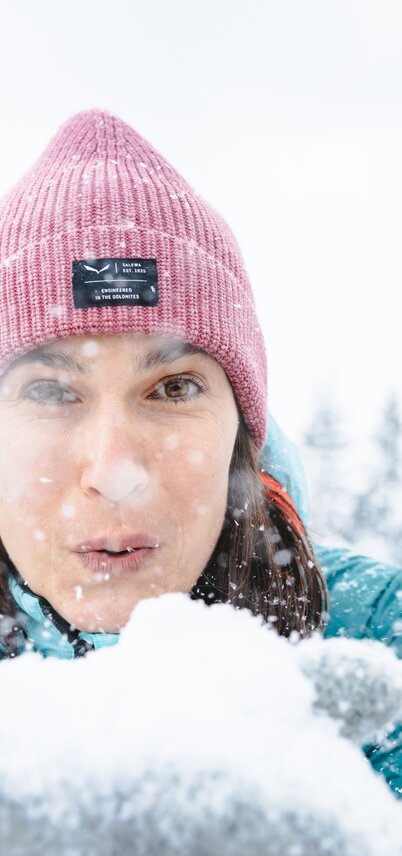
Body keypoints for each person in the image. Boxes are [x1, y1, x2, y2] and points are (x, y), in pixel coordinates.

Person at [0, 109, 400, 798]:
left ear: (241, 435)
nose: (114, 472)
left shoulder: (376, 639)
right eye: (51, 392)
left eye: (173, 387)